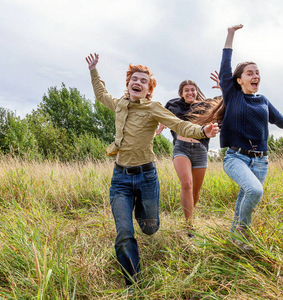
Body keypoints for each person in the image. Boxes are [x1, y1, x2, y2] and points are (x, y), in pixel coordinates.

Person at [85, 53, 219, 286]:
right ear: (128, 84)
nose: (137, 82)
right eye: (134, 79)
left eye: (143, 81)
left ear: (149, 89)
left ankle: (141, 213)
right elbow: (100, 94)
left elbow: (178, 124)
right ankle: (132, 282)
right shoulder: (119, 105)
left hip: (147, 177)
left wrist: (201, 132)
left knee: (149, 227)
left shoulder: (153, 108)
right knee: (125, 233)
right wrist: (94, 70)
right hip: (121, 178)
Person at [195, 25, 283, 250]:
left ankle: (234, 240)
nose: (255, 76)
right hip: (237, 158)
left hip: (262, 161)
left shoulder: (263, 100)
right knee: (254, 191)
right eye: (250, 73)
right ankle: (243, 238)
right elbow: (225, 64)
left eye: (257, 72)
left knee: (246, 199)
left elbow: (277, 117)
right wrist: (230, 34)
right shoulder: (232, 94)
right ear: (240, 79)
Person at [156, 80, 212, 237]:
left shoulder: (204, 105)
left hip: (200, 149)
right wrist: (161, 124)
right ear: (181, 93)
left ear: (196, 91)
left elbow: (224, 103)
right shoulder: (172, 104)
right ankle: (189, 226)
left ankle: (189, 216)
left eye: (192, 90)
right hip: (181, 147)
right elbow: (161, 114)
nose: (190, 93)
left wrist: (224, 86)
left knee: (195, 191)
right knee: (186, 184)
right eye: (186, 90)